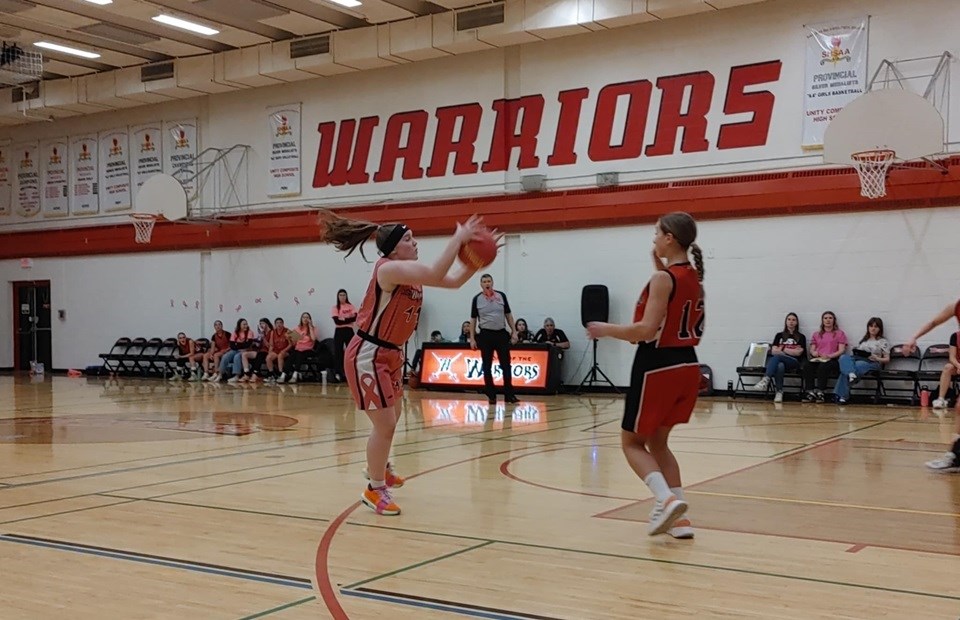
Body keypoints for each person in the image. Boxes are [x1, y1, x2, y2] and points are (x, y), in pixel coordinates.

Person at [321, 209, 485, 515]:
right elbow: (438, 272)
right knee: (385, 424)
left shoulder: (408, 273)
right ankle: (374, 488)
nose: (415, 242)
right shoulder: (388, 270)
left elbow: (452, 282)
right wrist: (458, 238)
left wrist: (477, 260)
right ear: (394, 248)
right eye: (409, 239)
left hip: (392, 353)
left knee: (392, 417)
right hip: (368, 355)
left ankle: (379, 466)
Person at [586, 212, 705, 538]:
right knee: (659, 443)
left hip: (657, 365)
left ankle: (665, 500)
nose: (654, 238)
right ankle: (679, 520)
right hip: (687, 365)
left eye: (657, 233)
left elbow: (644, 330)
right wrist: (659, 266)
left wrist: (604, 329)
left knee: (631, 443)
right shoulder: (692, 277)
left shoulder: (662, 280)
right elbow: (672, 299)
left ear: (670, 238)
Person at [904, 302, 960, 472]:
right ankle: (955, 457)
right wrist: (914, 337)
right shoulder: (956, 306)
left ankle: (954, 457)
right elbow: (934, 322)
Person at [469, 273, 520, 405]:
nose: (487, 283)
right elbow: (473, 320)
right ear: (481, 284)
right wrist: (472, 338)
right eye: (484, 281)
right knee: (487, 366)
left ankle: (509, 394)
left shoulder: (501, 296)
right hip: (485, 335)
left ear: (492, 283)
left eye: (489, 281)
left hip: (501, 334)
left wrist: (514, 331)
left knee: (506, 365)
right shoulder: (476, 299)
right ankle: (491, 394)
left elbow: (508, 315)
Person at [833, 317, 890, 405]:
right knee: (843, 357)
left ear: (880, 329)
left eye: (876, 327)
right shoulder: (864, 340)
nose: (873, 328)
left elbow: (887, 359)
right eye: (871, 326)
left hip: (873, 362)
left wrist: (877, 358)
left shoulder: (883, 341)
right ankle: (851, 374)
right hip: (859, 358)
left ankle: (842, 395)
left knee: (855, 366)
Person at [752, 313, 806, 403]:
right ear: (786, 322)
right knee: (779, 365)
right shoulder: (779, 336)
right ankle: (779, 392)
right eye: (789, 319)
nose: (791, 322)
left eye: (793, 320)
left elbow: (798, 353)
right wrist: (789, 350)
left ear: (796, 323)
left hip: (794, 362)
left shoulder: (801, 337)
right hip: (781, 362)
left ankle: (766, 379)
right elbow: (773, 351)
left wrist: (783, 348)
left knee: (778, 357)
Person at [802, 311, 847, 403]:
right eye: (825, 318)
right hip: (819, 358)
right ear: (822, 321)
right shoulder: (816, 334)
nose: (828, 320)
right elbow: (812, 349)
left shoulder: (839, 333)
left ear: (834, 320)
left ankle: (820, 392)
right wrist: (814, 353)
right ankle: (810, 391)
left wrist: (829, 356)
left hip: (832, 359)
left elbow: (841, 350)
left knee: (823, 366)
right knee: (807, 365)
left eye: (830, 318)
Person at [331, 289, 357, 383]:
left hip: (349, 330)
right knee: (338, 352)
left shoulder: (351, 306)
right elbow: (336, 321)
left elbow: (355, 318)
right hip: (339, 331)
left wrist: (343, 319)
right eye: (341, 295)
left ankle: (351, 373)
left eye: (344, 295)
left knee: (351, 352)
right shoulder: (335, 308)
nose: (342, 297)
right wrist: (347, 319)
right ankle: (338, 373)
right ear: (338, 296)